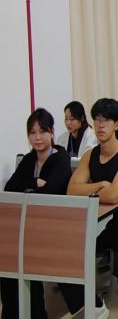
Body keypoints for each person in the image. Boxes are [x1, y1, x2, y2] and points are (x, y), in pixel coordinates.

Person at [67, 98, 118, 318]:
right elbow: (72, 189)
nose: (100, 125)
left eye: (106, 120)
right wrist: (100, 185)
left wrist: (90, 189)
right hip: (97, 222)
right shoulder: (90, 155)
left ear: (117, 124)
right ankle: (96, 305)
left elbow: (115, 195)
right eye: (97, 119)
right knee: (66, 257)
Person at [2, 109, 78, 319]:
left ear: (51, 132)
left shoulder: (61, 158)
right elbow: (10, 188)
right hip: (28, 225)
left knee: (24, 252)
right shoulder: (29, 159)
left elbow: (51, 191)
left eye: (42, 131)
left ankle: (36, 313)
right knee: (7, 255)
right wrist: (35, 182)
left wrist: (29, 188)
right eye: (32, 132)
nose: (37, 137)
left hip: (55, 224)